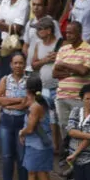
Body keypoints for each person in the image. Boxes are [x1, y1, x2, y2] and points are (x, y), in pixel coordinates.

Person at [15, 75, 54, 180]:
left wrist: (21, 132)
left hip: (39, 145)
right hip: (35, 144)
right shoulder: (42, 101)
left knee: (42, 174)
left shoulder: (35, 107)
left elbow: (31, 128)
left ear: (27, 89)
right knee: (32, 172)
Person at [0, 53, 29, 180]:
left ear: (24, 64)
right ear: (11, 65)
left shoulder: (29, 81)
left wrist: (8, 102)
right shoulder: (5, 80)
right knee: (7, 156)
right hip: (6, 121)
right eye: (15, 63)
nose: (18, 66)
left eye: (21, 63)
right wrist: (16, 100)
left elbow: (26, 103)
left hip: (22, 121)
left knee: (22, 157)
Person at [26, 15, 62, 154]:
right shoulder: (38, 44)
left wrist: (57, 58)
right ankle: (53, 145)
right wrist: (45, 60)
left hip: (58, 85)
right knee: (48, 116)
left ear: (49, 30)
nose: (37, 32)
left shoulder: (60, 44)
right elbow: (34, 65)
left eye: (40, 29)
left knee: (59, 117)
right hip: (44, 86)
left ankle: (60, 145)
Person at [53, 21, 90, 131]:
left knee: (82, 129)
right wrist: (74, 70)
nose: (68, 35)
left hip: (80, 98)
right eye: (67, 33)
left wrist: (64, 64)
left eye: (71, 33)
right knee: (65, 130)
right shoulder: (63, 49)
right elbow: (55, 73)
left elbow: (84, 71)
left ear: (80, 33)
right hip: (62, 96)